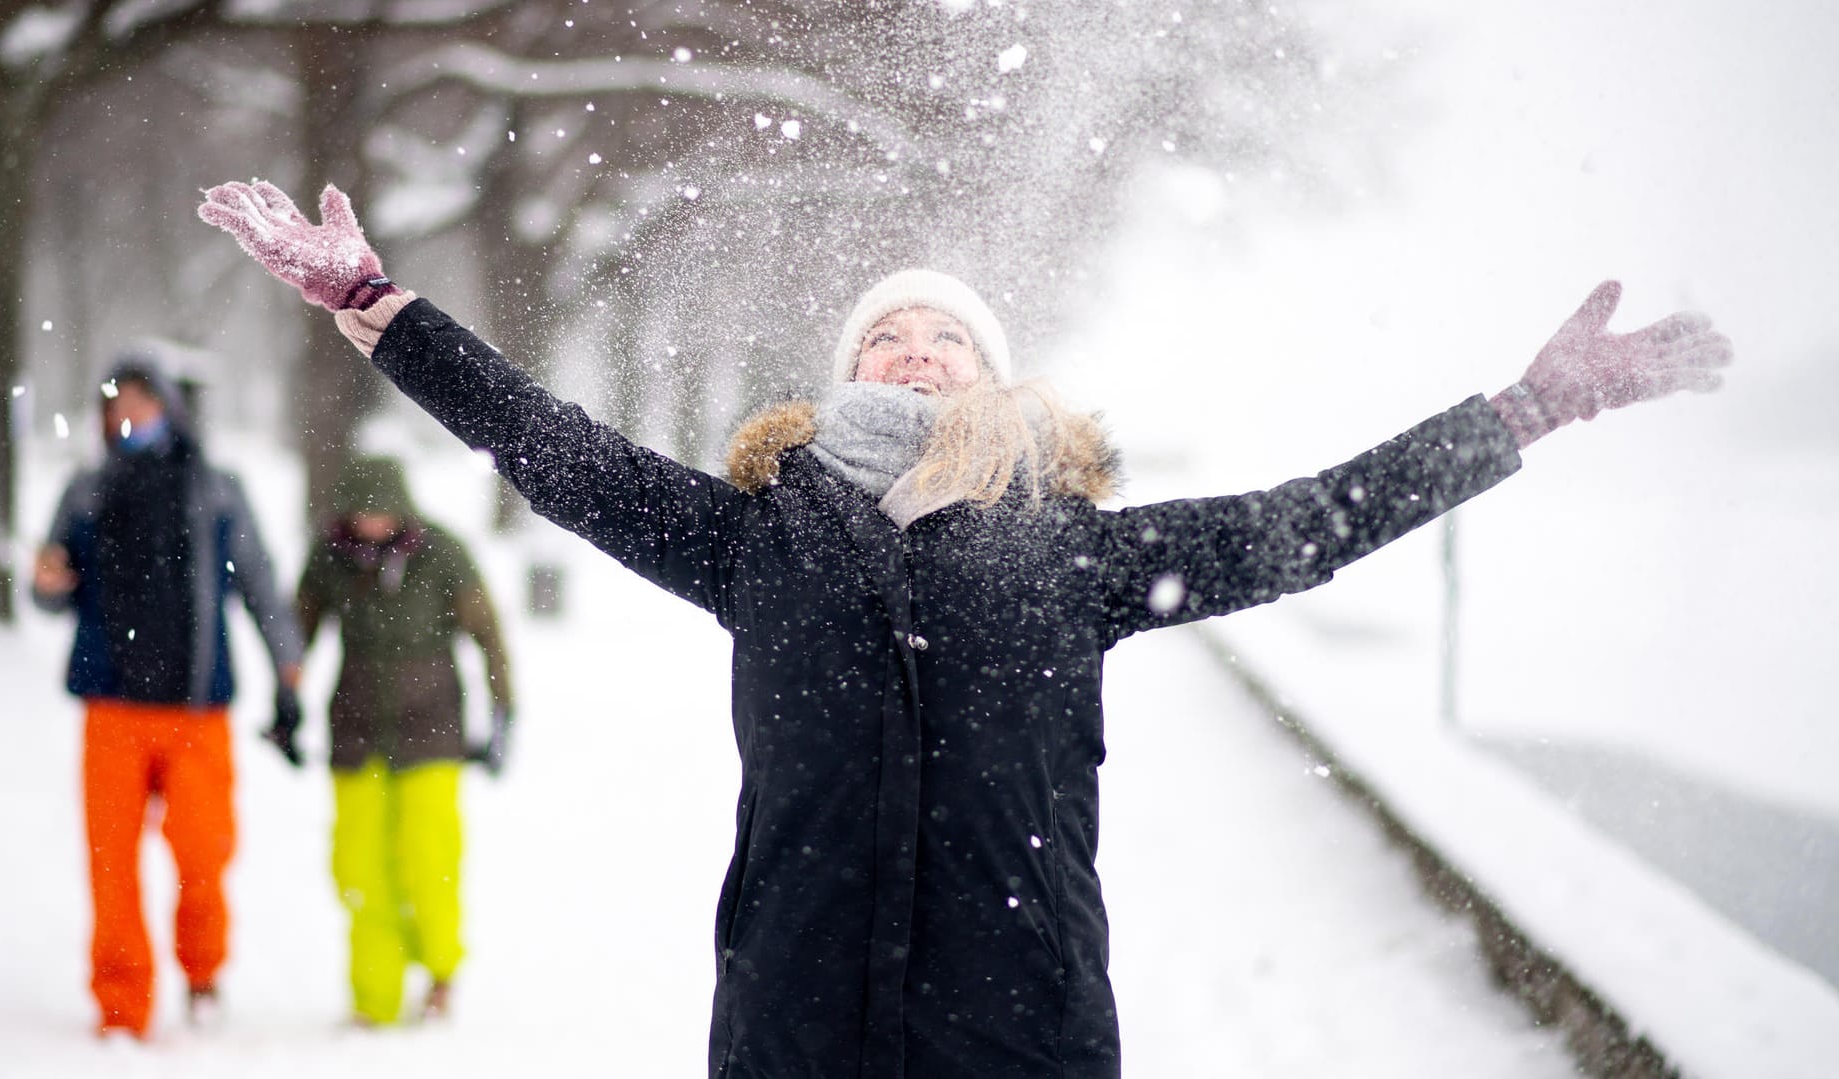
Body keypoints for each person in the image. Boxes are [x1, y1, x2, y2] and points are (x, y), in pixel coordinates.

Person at [199, 181, 1731, 1077]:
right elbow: (554, 445)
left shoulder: (1071, 552)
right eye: (887, 333)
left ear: (993, 378)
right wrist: (386, 310)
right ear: (847, 370)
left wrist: (1522, 410)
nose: (916, 347)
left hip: (1026, 1028)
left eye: (946, 336)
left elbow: (1306, 522)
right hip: (794, 1017)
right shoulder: (757, 537)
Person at [31, 355, 304, 1039]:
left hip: (195, 707)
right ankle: (122, 1005)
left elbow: (260, 583)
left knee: (204, 852)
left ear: (170, 409)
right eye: (114, 405)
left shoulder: (213, 489)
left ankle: (203, 967)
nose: (126, 416)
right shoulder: (86, 490)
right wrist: (48, 582)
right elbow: (48, 586)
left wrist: (288, 664)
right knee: (112, 865)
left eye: (140, 402)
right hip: (111, 707)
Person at [270, 455, 514, 1027]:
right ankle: (373, 998)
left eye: (382, 512)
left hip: (432, 730)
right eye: (361, 512)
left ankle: (439, 971)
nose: (371, 523)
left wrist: (505, 714)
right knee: (358, 868)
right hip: (355, 731)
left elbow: (489, 635)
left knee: (430, 861)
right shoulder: (329, 559)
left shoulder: (443, 554)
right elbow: (295, 634)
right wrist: (286, 705)